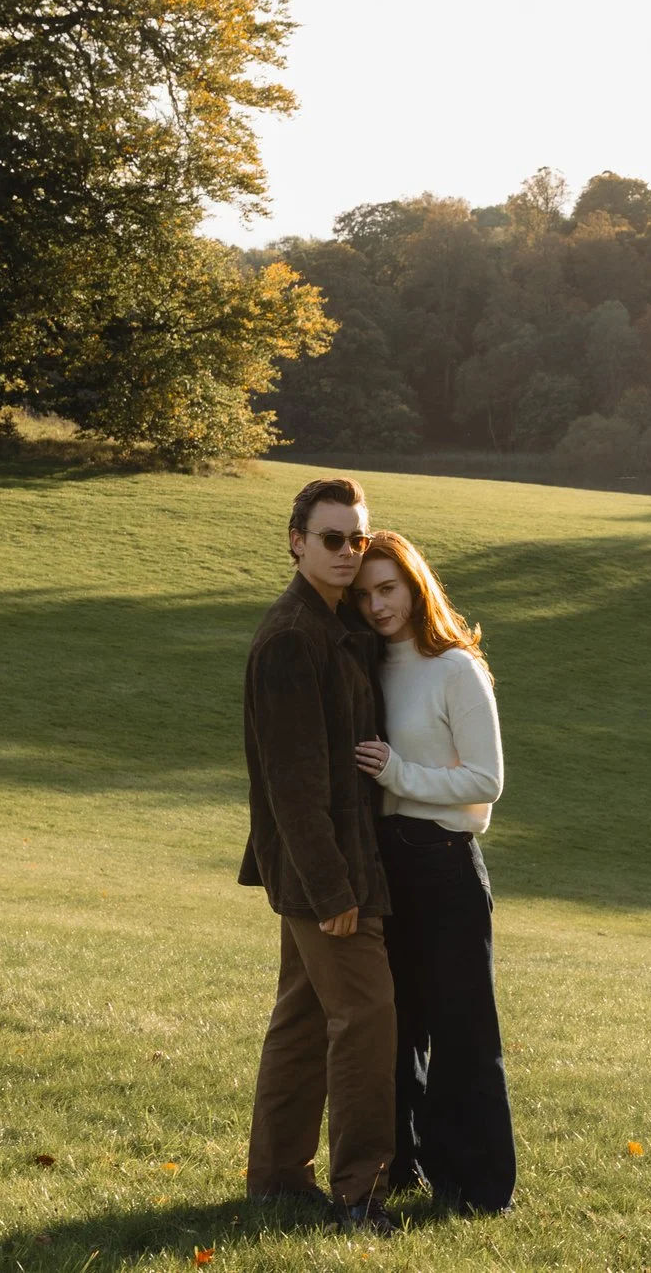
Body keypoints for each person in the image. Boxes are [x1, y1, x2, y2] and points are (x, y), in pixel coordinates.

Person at [239, 476, 398, 1233]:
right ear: (297, 540)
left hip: (326, 866)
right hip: (325, 875)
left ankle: (274, 1179)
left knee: (303, 1018)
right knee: (366, 1016)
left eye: (357, 538)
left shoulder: (338, 627)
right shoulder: (292, 638)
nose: (347, 552)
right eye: (332, 538)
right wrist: (335, 890)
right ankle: (358, 1197)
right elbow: (292, 785)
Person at [350, 530, 517, 1215]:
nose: (376, 604)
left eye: (387, 587)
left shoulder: (455, 668)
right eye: (363, 594)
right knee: (397, 1027)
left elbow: (488, 780)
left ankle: (479, 1189)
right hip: (387, 862)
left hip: (445, 867)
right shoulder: (369, 663)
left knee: (463, 1032)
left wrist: (399, 773)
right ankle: (402, 1168)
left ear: (415, 584)